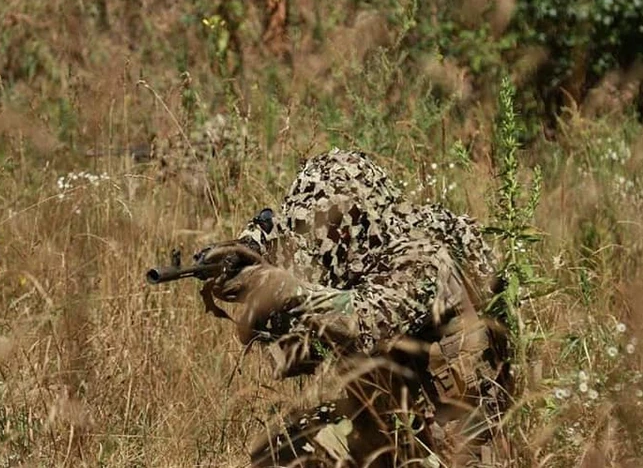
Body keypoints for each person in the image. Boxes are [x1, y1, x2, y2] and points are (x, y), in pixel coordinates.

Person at [198, 148, 514, 466]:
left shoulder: (420, 255)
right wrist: (248, 249)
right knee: (285, 453)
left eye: (327, 222)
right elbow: (302, 345)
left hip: (456, 447)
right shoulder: (363, 250)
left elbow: (363, 323)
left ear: (357, 216)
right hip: (398, 424)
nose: (318, 235)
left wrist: (278, 287)